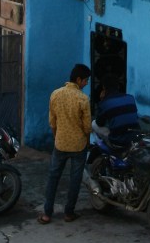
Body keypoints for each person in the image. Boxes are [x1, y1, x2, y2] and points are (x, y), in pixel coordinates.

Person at [38, 63, 92, 224]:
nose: (86, 83)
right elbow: (87, 127)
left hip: (60, 144)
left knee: (53, 177)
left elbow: (52, 122)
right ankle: (69, 213)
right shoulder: (83, 99)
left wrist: (57, 137)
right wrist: (86, 140)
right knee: (75, 179)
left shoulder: (56, 94)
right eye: (86, 80)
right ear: (78, 79)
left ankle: (47, 213)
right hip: (78, 145)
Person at [93, 75, 140, 147]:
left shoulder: (104, 102)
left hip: (118, 141)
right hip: (135, 137)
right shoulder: (130, 97)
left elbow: (99, 123)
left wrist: (102, 100)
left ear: (103, 87)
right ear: (118, 86)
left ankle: (107, 144)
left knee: (93, 123)